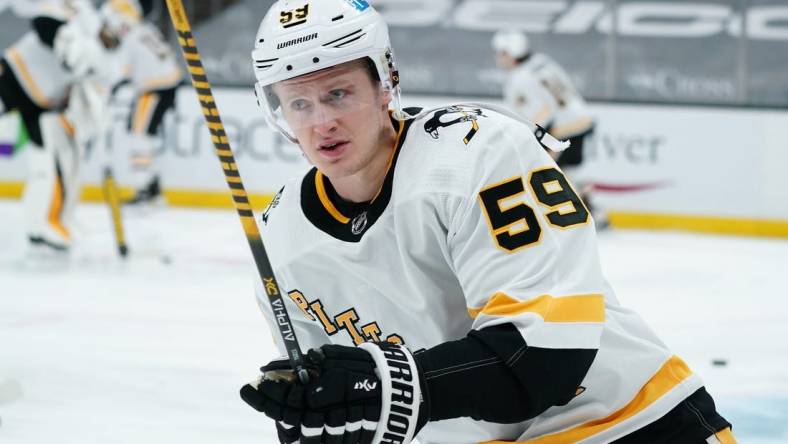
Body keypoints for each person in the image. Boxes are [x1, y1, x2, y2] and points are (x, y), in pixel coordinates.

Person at [238, 1, 734, 443]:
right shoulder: (280, 242)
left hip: (627, 423)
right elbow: (332, 406)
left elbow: (543, 357)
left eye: (339, 94)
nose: (320, 122)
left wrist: (390, 385)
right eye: (299, 103)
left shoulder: (479, 152)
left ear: (384, 81)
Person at [0, 0, 120, 253]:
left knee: (48, 165)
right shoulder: (82, 12)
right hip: (13, 78)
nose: (118, 34)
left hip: (44, 104)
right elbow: (44, 24)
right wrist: (64, 44)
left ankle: (43, 223)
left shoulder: (110, 61)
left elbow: (92, 93)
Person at [492, 30, 607, 229]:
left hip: (563, 128)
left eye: (501, 53)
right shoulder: (541, 61)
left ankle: (559, 217)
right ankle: (595, 212)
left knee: (539, 172)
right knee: (569, 172)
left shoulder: (519, 79)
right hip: (580, 119)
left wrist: (529, 135)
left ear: (510, 53)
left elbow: (544, 111)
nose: (498, 58)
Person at [100, 0, 181, 206]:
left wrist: (105, 89)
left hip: (153, 88)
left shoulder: (130, 38)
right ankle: (150, 186)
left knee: (139, 136)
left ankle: (146, 188)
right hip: (164, 85)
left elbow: (119, 73)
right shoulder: (146, 29)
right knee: (143, 135)